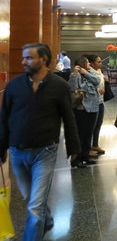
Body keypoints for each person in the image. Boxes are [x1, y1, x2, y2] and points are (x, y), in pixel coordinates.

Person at [0, 43, 81, 239]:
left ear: (43, 59)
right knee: (31, 199)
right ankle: (47, 218)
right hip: (18, 152)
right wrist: (1, 147)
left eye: (29, 57)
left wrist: (74, 147)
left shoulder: (59, 86)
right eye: (23, 57)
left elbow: (68, 117)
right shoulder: (14, 86)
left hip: (45, 152)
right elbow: (4, 117)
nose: (23, 61)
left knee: (35, 206)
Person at [69, 55, 100, 167]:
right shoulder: (75, 75)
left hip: (93, 107)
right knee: (81, 134)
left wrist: (85, 73)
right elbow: (72, 88)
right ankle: (77, 159)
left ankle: (86, 156)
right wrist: (75, 74)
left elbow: (97, 81)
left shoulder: (90, 73)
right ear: (82, 64)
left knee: (88, 134)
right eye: (87, 62)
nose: (89, 64)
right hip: (81, 108)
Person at [86, 54, 106, 156]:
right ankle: (88, 148)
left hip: (100, 101)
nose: (101, 63)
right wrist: (98, 90)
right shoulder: (89, 73)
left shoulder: (99, 71)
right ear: (92, 64)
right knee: (91, 125)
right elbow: (88, 87)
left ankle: (95, 144)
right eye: (98, 62)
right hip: (93, 102)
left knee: (98, 124)